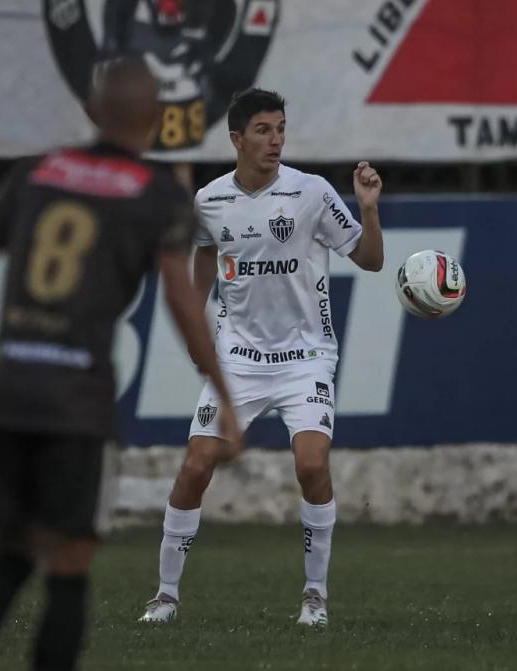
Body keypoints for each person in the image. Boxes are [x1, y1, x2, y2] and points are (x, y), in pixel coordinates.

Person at [0, 55, 239, 671]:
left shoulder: (35, 173)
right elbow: (182, 299)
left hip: (6, 386)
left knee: (11, 552)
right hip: (76, 401)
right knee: (68, 566)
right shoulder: (159, 198)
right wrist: (223, 392)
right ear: (158, 123)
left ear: (92, 111)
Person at [138, 88, 384, 626]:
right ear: (236, 139)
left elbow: (370, 260)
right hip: (237, 360)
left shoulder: (311, 193)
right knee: (195, 466)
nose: (275, 140)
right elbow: (202, 273)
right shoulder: (210, 201)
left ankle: (315, 594)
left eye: (280, 129)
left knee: (312, 464)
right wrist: (196, 338)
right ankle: (165, 596)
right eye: (263, 130)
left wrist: (368, 210)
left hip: (306, 358)